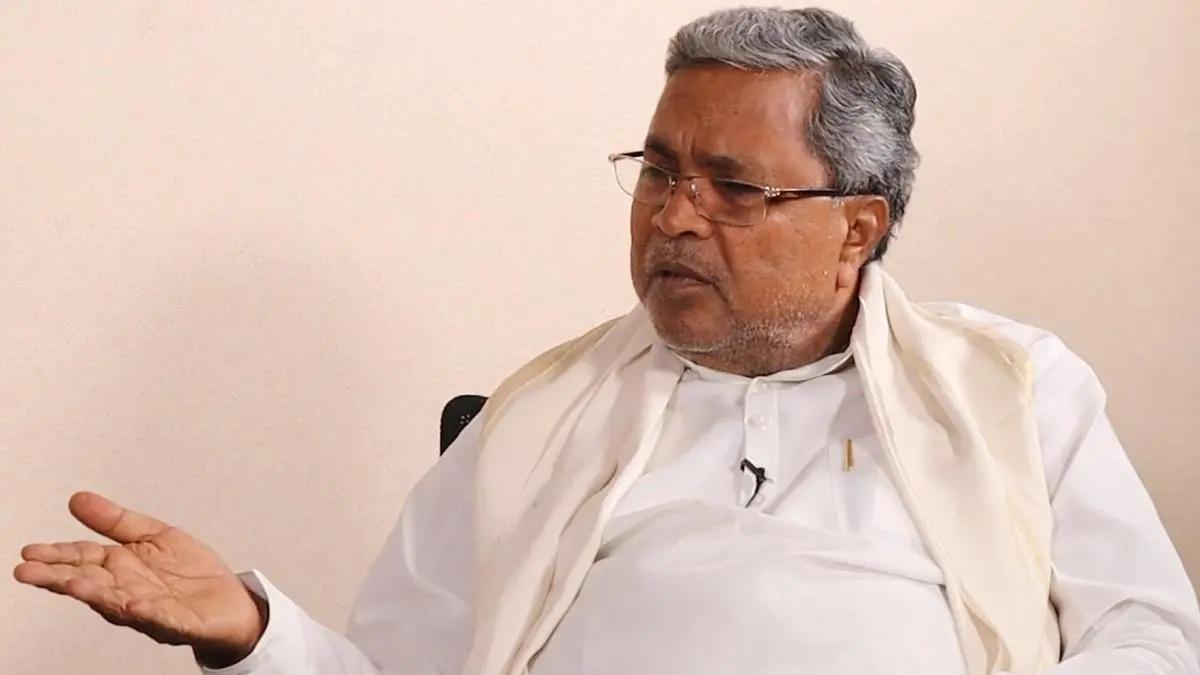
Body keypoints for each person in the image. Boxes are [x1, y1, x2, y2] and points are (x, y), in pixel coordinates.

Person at [13, 7, 1200, 675]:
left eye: (733, 186)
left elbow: (1147, 635)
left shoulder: (1013, 389)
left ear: (857, 229)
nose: (674, 215)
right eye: (659, 171)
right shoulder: (536, 420)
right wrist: (256, 631)